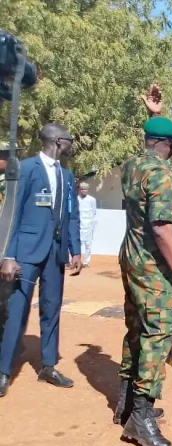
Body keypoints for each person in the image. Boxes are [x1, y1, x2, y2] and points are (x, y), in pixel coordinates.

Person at [115, 96, 172, 446]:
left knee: (136, 328)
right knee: (158, 333)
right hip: (154, 266)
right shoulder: (162, 174)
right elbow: (163, 227)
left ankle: (126, 404)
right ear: (170, 144)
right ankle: (141, 417)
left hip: (131, 258)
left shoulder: (133, 165)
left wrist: (155, 116)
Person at [0, 124, 82, 398]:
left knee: (51, 309)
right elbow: (11, 213)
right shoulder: (26, 168)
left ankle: (48, 366)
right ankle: (3, 370)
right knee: (17, 311)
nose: (72, 144)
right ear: (58, 141)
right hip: (26, 252)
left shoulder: (67, 175)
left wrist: (76, 250)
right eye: (69, 140)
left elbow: (72, 214)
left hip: (55, 254)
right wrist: (8, 256)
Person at [0, 141, 21, 345]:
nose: (6, 159)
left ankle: (8, 340)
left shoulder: (13, 181)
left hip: (6, 246)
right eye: (4, 155)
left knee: (6, 297)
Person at [77, 182, 97, 268]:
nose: (83, 191)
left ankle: (86, 262)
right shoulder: (76, 199)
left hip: (88, 225)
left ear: (87, 190)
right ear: (79, 190)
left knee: (88, 244)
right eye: (82, 189)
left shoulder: (92, 200)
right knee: (78, 243)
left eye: (85, 189)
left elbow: (94, 212)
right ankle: (76, 261)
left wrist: (89, 222)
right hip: (79, 224)